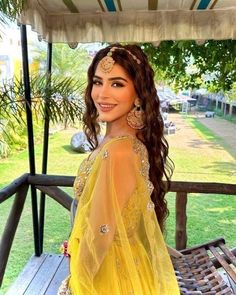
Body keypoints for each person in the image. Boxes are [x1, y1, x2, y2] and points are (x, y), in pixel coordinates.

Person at [58, 44, 180, 295]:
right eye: (97, 82)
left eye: (117, 84)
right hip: (122, 265)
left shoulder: (119, 152)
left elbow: (102, 234)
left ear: (138, 93)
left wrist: (74, 285)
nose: (102, 94)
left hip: (108, 276)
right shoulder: (123, 144)